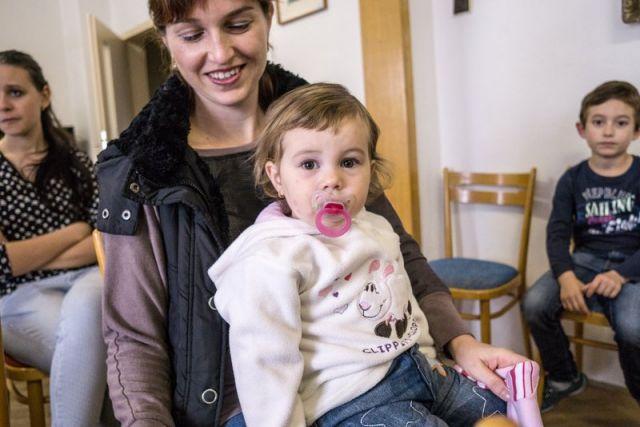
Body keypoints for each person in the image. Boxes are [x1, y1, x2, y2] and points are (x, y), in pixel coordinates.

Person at [96, 1, 525, 425]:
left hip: (386, 371)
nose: (221, 53)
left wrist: (460, 341)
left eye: (239, 24)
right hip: (239, 410)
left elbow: (400, 259)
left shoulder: (330, 131)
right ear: (166, 41)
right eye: (192, 35)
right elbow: (134, 340)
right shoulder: (141, 169)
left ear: (269, 16)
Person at [209, 82, 513, 426]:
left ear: (371, 169)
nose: (332, 179)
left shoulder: (377, 226)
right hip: (353, 401)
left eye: (349, 162)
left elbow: (403, 299)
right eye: (309, 164)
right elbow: (265, 366)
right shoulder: (270, 259)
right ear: (277, 177)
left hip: (420, 369)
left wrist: (430, 354)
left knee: (499, 407)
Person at [0, 50, 109, 426]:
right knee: (102, 358)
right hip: (18, 297)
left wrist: (24, 255)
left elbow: (102, 238)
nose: (3, 105)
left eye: (15, 92)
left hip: (86, 280)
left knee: (92, 303)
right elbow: (4, 265)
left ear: (44, 95)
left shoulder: (76, 163)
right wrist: (74, 232)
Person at [522, 80, 640, 412]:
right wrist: (566, 277)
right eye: (598, 122)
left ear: (636, 131)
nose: (608, 131)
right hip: (585, 259)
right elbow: (557, 234)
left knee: (633, 329)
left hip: (633, 266)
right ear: (582, 129)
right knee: (534, 303)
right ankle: (565, 376)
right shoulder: (572, 179)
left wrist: (621, 274)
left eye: (621, 123)